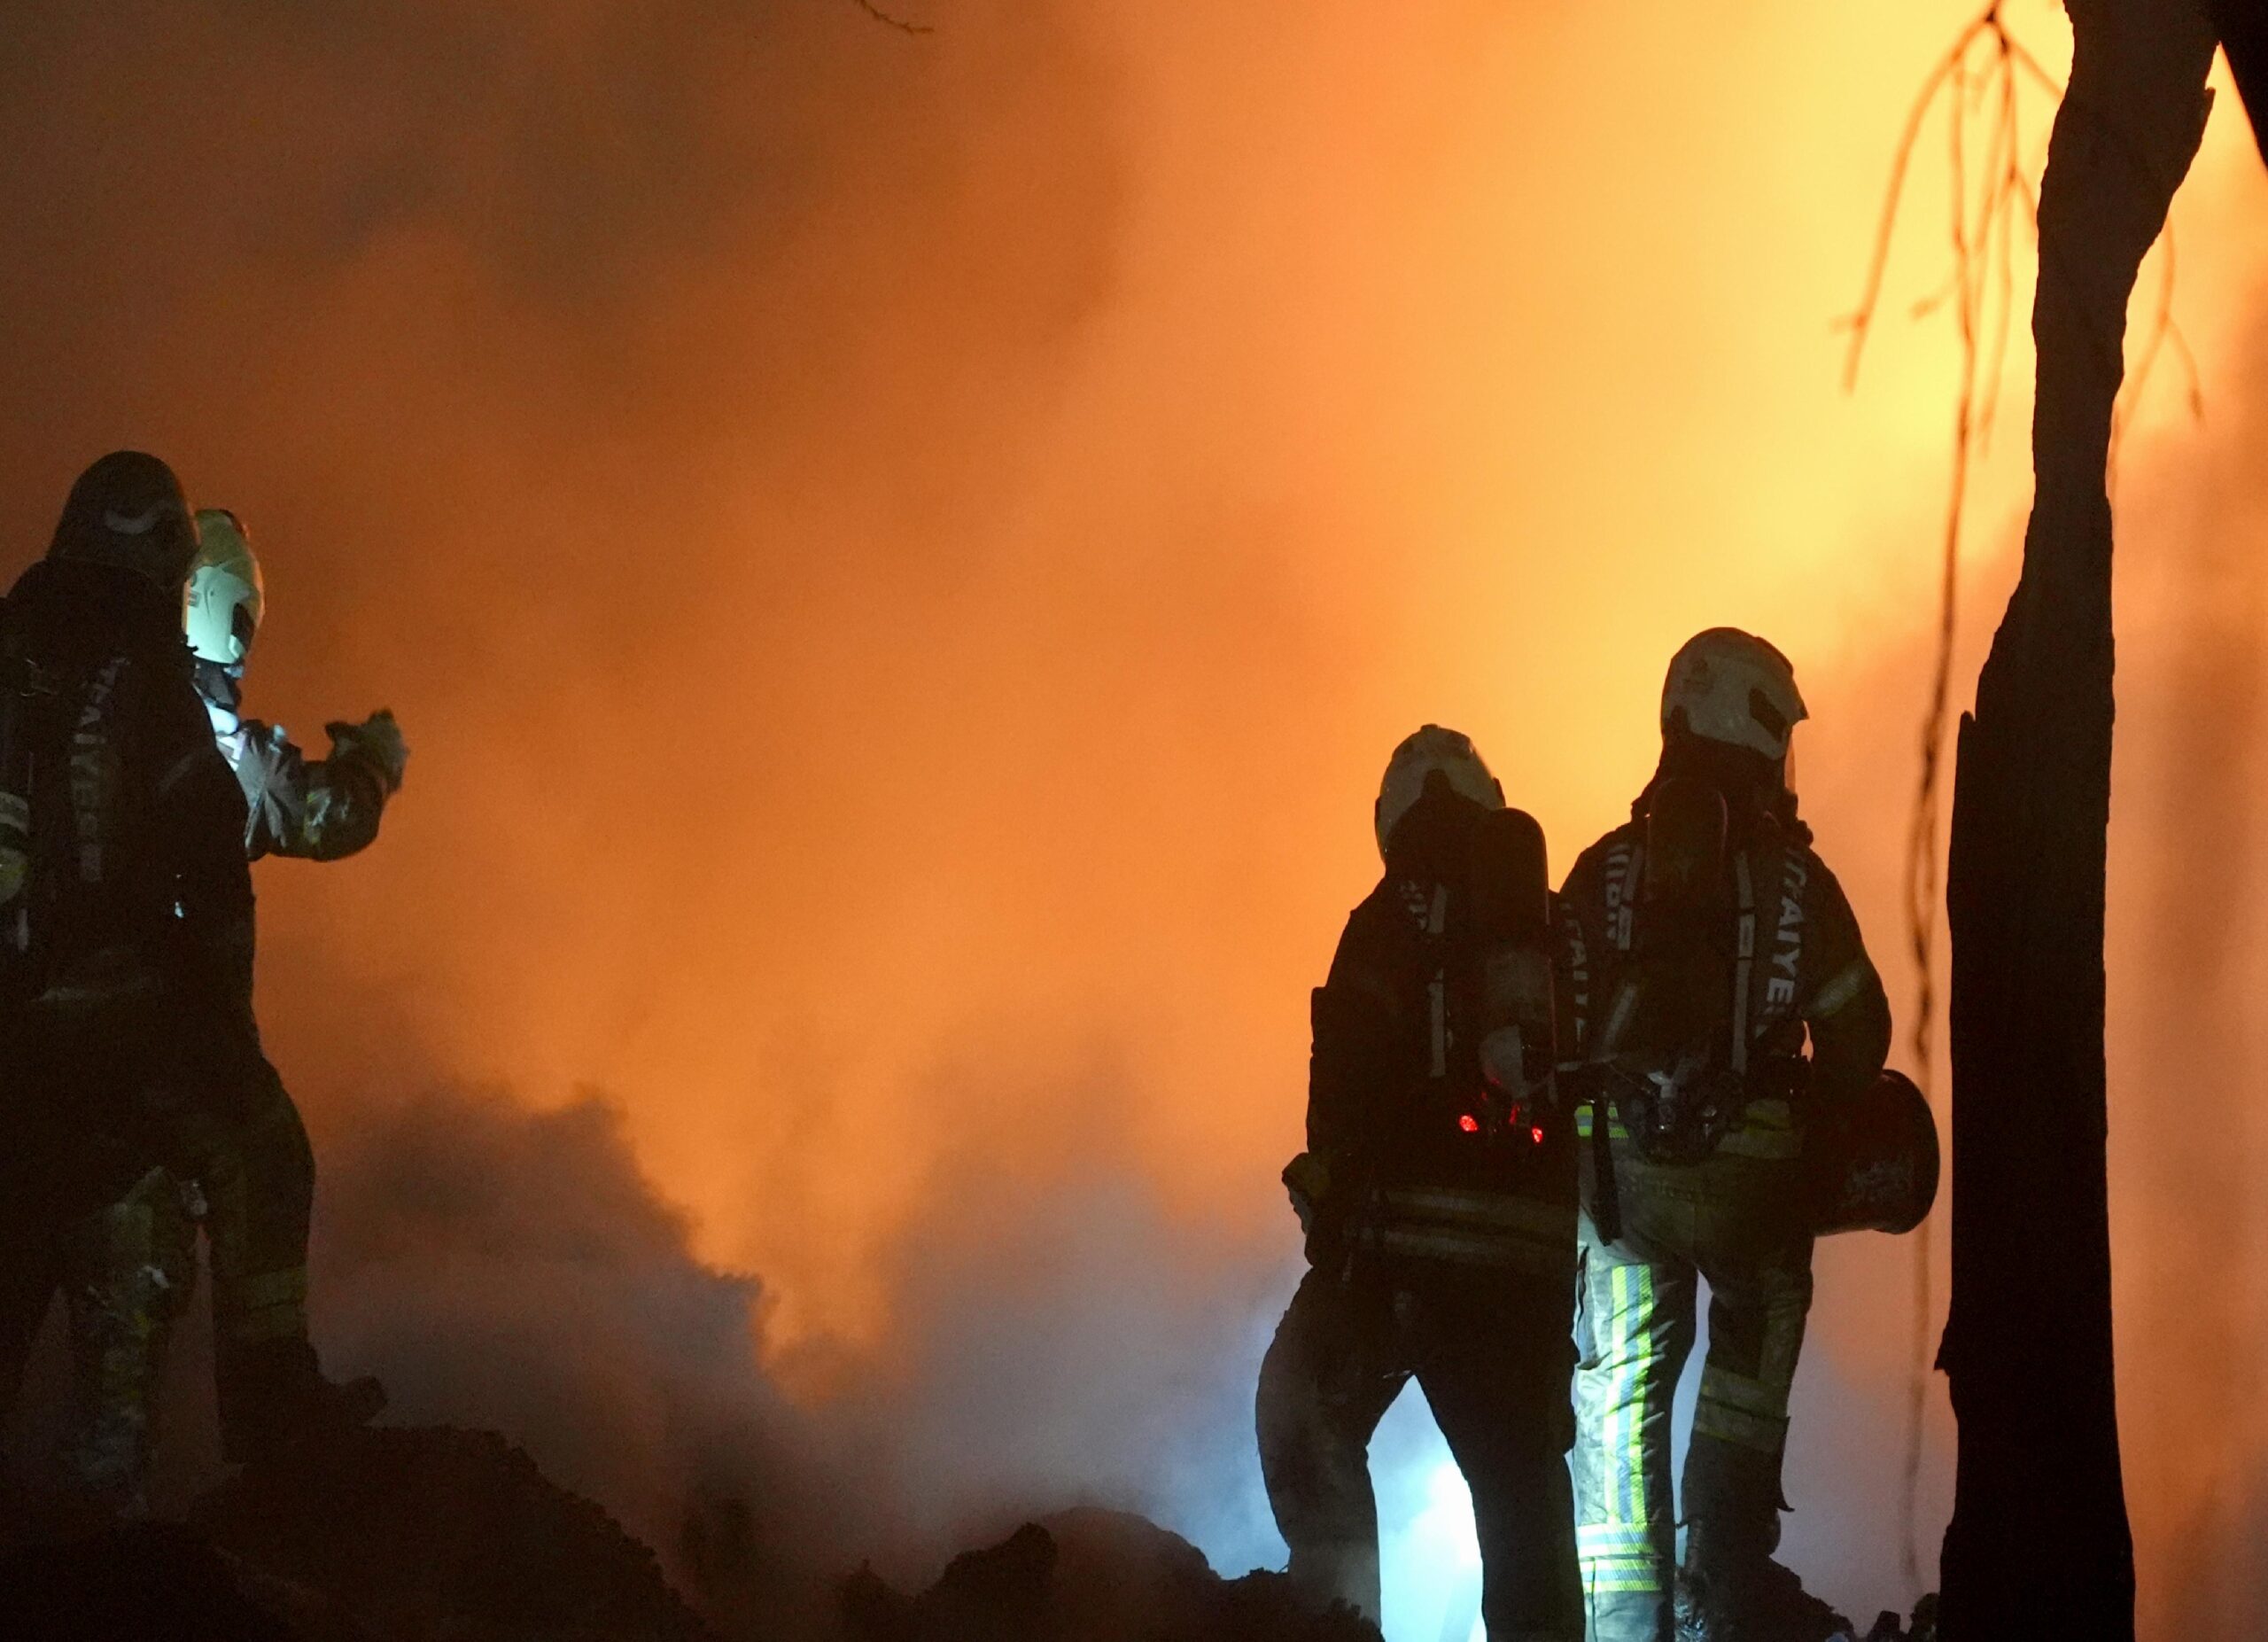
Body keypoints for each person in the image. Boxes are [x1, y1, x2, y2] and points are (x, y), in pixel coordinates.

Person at [60, 508, 405, 1498]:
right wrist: (376, 762)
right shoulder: (200, 736)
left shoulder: (47, 708)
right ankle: (239, 1440)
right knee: (214, 1203)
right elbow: (324, 815)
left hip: (34, 1051)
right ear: (216, 609)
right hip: (150, 1068)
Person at [1558, 629, 1891, 1642]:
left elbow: (1559, 1016)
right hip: (1755, 1182)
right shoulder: (1796, 879)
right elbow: (1858, 1033)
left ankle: (1624, 1619)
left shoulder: (1604, 866)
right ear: (1742, 723)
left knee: (1618, 1389)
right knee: (1746, 1361)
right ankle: (1725, 1574)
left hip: (1619, 1183)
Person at [1257, 726, 1581, 1642]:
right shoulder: (1550, 922)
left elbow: (1343, 1099)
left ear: (1390, 818)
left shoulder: (1386, 917)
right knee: (1523, 1502)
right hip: (1527, 1274)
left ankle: (1340, 1617)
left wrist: (1334, 1214)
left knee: (1301, 1402)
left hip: (1408, 1256)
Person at [0, 455, 261, 1448]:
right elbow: (217, 863)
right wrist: (225, 1044)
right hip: (106, 1099)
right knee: (109, 1418)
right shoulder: (152, 691)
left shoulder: (9, 650)